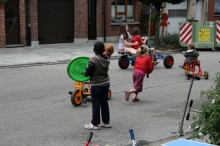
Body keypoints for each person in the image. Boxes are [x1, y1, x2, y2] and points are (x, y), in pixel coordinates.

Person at [83, 41, 111, 130]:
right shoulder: (106, 58)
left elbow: (88, 73)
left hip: (97, 84)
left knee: (96, 103)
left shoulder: (93, 60)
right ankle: (106, 122)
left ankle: (95, 124)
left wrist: (83, 72)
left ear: (93, 50)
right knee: (104, 103)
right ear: (103, 50)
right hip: (106, 83)